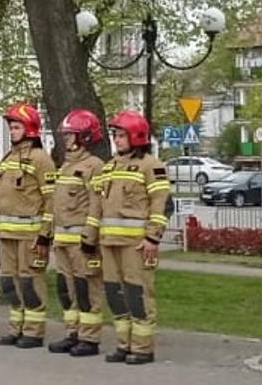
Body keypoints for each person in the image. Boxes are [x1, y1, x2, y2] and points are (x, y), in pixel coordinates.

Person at [89, 109, 170, 365]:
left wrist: (153, 239)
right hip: (109, 242)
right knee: (115, 294)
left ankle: (143, 348)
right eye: (115, 135)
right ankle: (124, 345)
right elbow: (98, 205)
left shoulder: (151, 166)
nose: (117, 139)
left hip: (136, 245)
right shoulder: (110, 167)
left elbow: (161, 205)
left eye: (121, 135)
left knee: (138, 294)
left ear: (136, 136)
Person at [0, 103, 55, 348]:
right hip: (7, 233)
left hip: (30, 235)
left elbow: (50, 200)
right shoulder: (8, 159)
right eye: (11, 126)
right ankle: (16, 327)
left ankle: (34, 331)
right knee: (10, 282)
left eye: (16, 126)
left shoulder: (41, 159)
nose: (13, 131)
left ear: (29, 129)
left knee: (30, 283)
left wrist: (44, 235)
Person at [48, 109, 108, 357]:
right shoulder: (65, 166)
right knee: (67, 290)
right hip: (62, 240)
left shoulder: (94, 167)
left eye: (71, 134)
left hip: (81, 243)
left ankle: (89, 338)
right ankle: (72, 333)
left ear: (84, 136)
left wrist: (90, 238)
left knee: (86, 290)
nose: (66, 139)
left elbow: (96, 205)